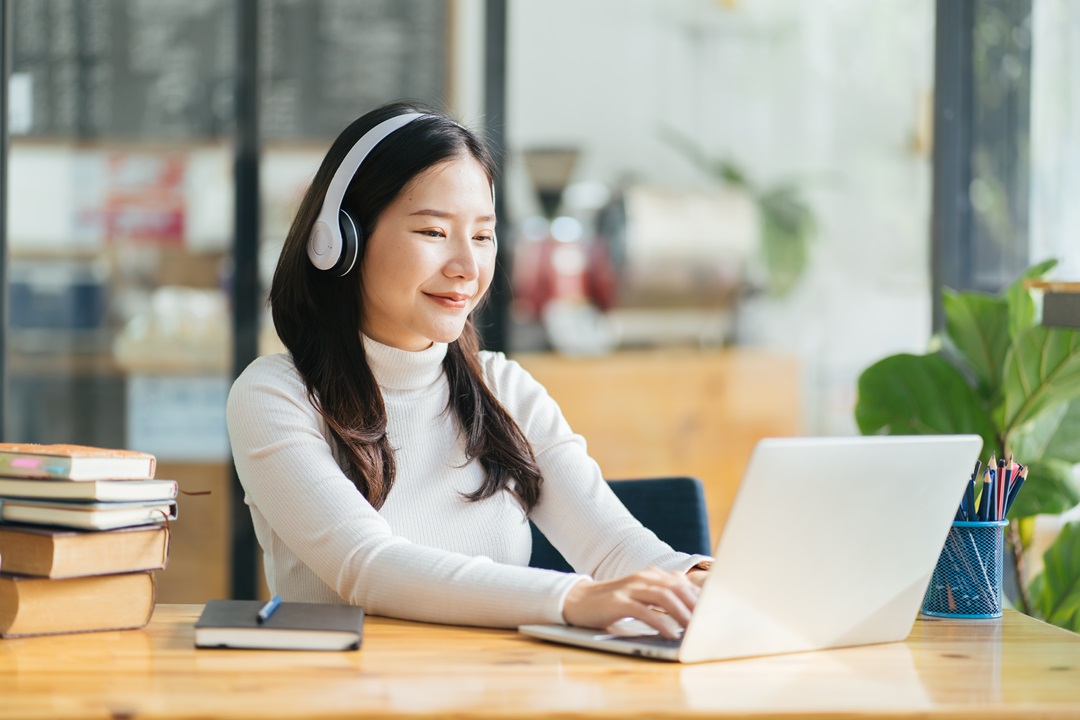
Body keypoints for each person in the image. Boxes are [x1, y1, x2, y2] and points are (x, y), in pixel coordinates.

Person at [226, 101, 712, 639]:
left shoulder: (502, 388)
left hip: (497, 690)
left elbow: (618, 547)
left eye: (482, 236)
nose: (467, 267)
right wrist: (573, 597)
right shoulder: (276, 395)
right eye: (434, 233)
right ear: (341, 242)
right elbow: (369, 567)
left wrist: (695, 578)